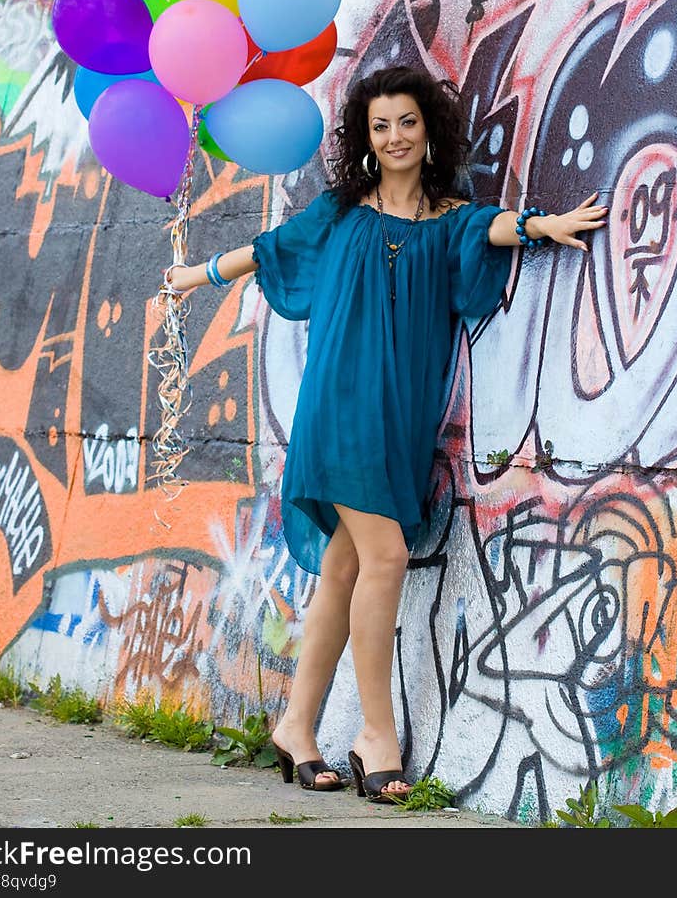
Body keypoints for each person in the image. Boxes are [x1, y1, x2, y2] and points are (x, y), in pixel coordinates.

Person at [164, 65, 607, 802]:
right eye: (381, 125)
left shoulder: (448, 217)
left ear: (427, 128)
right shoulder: (341, 213)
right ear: (365, 139)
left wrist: (542, 227)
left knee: (344, 568)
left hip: (399, 422)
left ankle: (296, 725)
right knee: (389, 556)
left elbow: (489, 228)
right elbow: (271, 249)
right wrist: (197, 275)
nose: (396, 136)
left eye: (407, 121)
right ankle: (378, 733)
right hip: (338, 410)